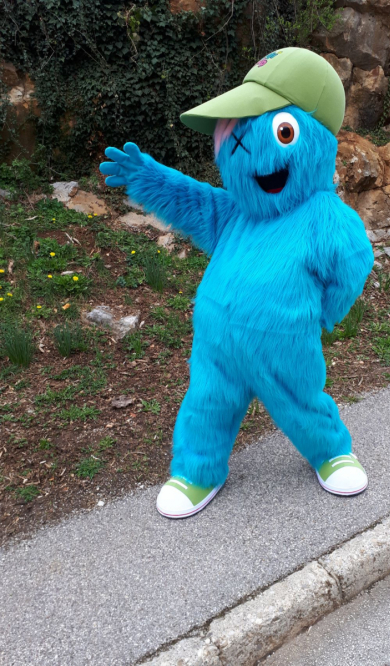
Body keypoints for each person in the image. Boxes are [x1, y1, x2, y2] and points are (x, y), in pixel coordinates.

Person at [100, 47, 374, 519]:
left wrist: (323, 314)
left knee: (302, 402)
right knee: (206, 403)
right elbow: (192, 200)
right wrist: (147, 176)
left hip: (285, 346)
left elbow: (351, 266)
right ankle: (197, 470)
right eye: (233, 134)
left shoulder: (324, 217)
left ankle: (331, 452)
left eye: (281, 131)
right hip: (216, 345)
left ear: (315, 136)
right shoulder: (235, 213)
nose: (243, 148)